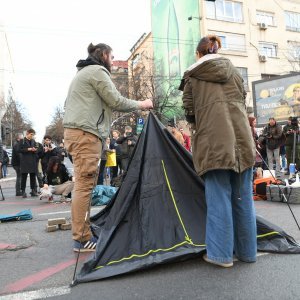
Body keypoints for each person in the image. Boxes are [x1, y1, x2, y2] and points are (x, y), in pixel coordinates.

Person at [63, 42, 153, 252]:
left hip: (81, 133)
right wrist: (142, 104)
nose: (113, 62)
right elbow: (116, 101)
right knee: (85, 186)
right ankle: (81, 238)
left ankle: (83, 229)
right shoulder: (97, 71)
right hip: (85, 135)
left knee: (85, 184)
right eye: (112, 58)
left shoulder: (84, 73)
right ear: (103, 55)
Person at [181, 34, 256, 267]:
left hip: (214, 143)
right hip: (242, 141)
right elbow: (242, 104)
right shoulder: (235, 73)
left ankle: (221, 255)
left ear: (198, 54)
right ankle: (248, 252)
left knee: (218, 198)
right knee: (243, 198)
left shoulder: (193, 76)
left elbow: (190, 112)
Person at [19, 129, 40, 198]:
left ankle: (33, 191)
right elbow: (19, 150)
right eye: (31, 134)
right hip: (25, 162)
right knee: (24, 177)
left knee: (33, 177)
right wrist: (28, 149)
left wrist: (35, 150)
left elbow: (37, 150)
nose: (32, 136)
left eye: (33, 135)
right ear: (27, 134)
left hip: (32, 161)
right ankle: (23, 191)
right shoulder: (22, 141)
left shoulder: (33, 141)